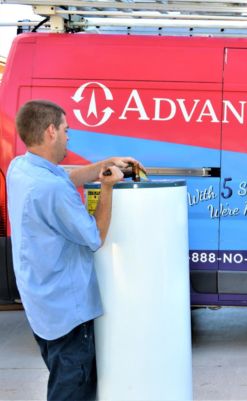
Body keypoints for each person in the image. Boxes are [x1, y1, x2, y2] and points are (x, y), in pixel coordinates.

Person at [6, 99, 144, 401]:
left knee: (62, 377)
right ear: (50, 131)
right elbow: (95, 237)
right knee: (72, 391)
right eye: (66, 130)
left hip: (42, 303)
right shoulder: (51, 190)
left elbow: (66, 178)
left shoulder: (21, 167)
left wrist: (104, 165)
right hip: (67, 310)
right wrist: (107, 189)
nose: (70, 136)